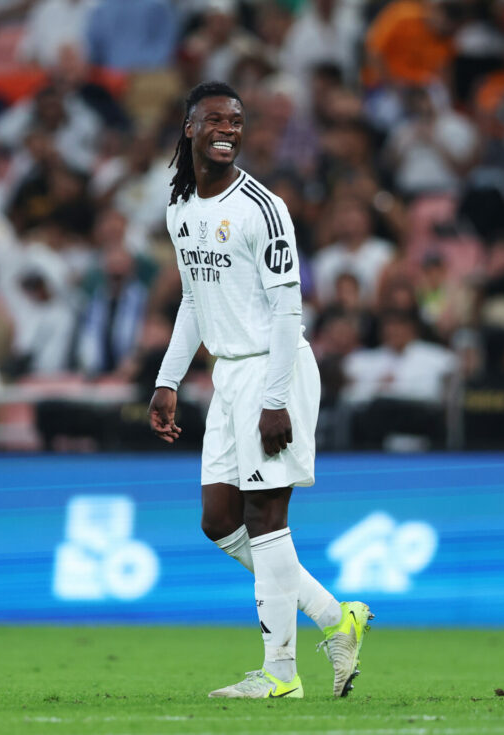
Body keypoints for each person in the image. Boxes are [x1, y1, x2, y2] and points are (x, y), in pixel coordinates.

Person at [148, 82, 371, 700]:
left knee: (266, 517)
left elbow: (286, 312)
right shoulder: (181, 208)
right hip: (228, 375)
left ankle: (280, 674)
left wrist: (276, 399)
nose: (228, 129)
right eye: (215, 118)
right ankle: (336, 619)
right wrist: (168, 380)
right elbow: (194, 299)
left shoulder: (263, 207)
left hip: (276, 371)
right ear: (189, 127)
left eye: (237, 121)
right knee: (219, 522)